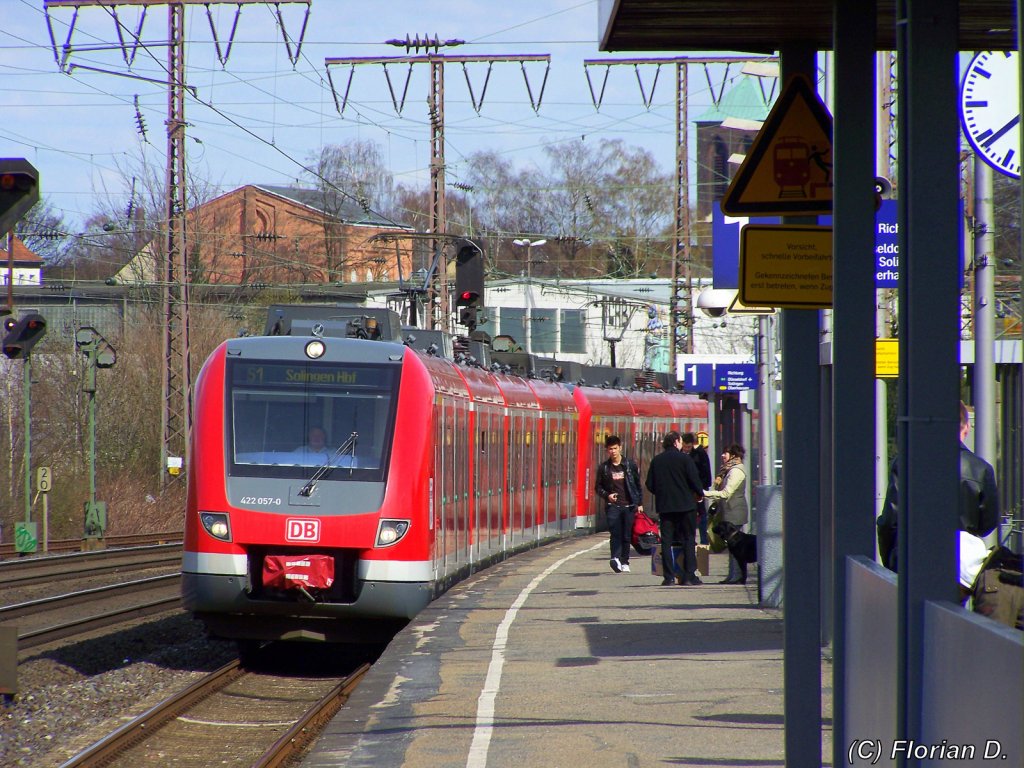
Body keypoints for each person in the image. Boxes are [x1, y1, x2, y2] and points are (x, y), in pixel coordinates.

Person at [877, 401, 1000, 571]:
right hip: (960, 565)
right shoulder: (981, 469)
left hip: (913, 561)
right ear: (966, 427)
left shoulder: (905, 463)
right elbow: (988, 524)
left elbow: (890, 521)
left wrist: (892, 561)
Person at [645, 431, 705, 586]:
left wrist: (662, 493)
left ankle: (669, 577)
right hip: (686, 506)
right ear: (676, 442)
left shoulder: (657, 461)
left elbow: (649, 484)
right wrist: (699, 494)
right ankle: (689, 576)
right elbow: (694, 480)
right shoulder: (685, 459)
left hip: (665, 507)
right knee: (688, 539)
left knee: (666, 541)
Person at [595, 435, 644, 573]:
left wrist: (639, 503)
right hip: (613, 506)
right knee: (615, 533)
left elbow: (637, 485)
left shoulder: (630, 465)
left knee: (626, 535)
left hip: (629, 505)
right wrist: (607, 495)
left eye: (615, 448)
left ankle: (625, 561)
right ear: (607, 450)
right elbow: (598, 487)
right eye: (610, 449)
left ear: (620, 448)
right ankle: (615, 558)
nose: (613, 451)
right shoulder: (604, 468)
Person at [704, 443, 749, 584]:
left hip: (734, 512)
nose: (723, 455)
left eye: (726, 453)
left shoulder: (736, 471)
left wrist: (705, 493)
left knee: (736, 547)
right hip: (730, 511)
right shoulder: (729, 470)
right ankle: (732, 575)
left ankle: (737, 576)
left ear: (734, 455)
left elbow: (726, 493)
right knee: (732, 547)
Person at [682, 433, 712, 544]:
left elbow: (703, 472)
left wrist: (701, 489)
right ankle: (700, 539)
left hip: (697, 489)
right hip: (697, 488)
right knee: (698, 513)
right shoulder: (700, 453)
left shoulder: (698, 453)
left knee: (699, 513)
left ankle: (702, 539)